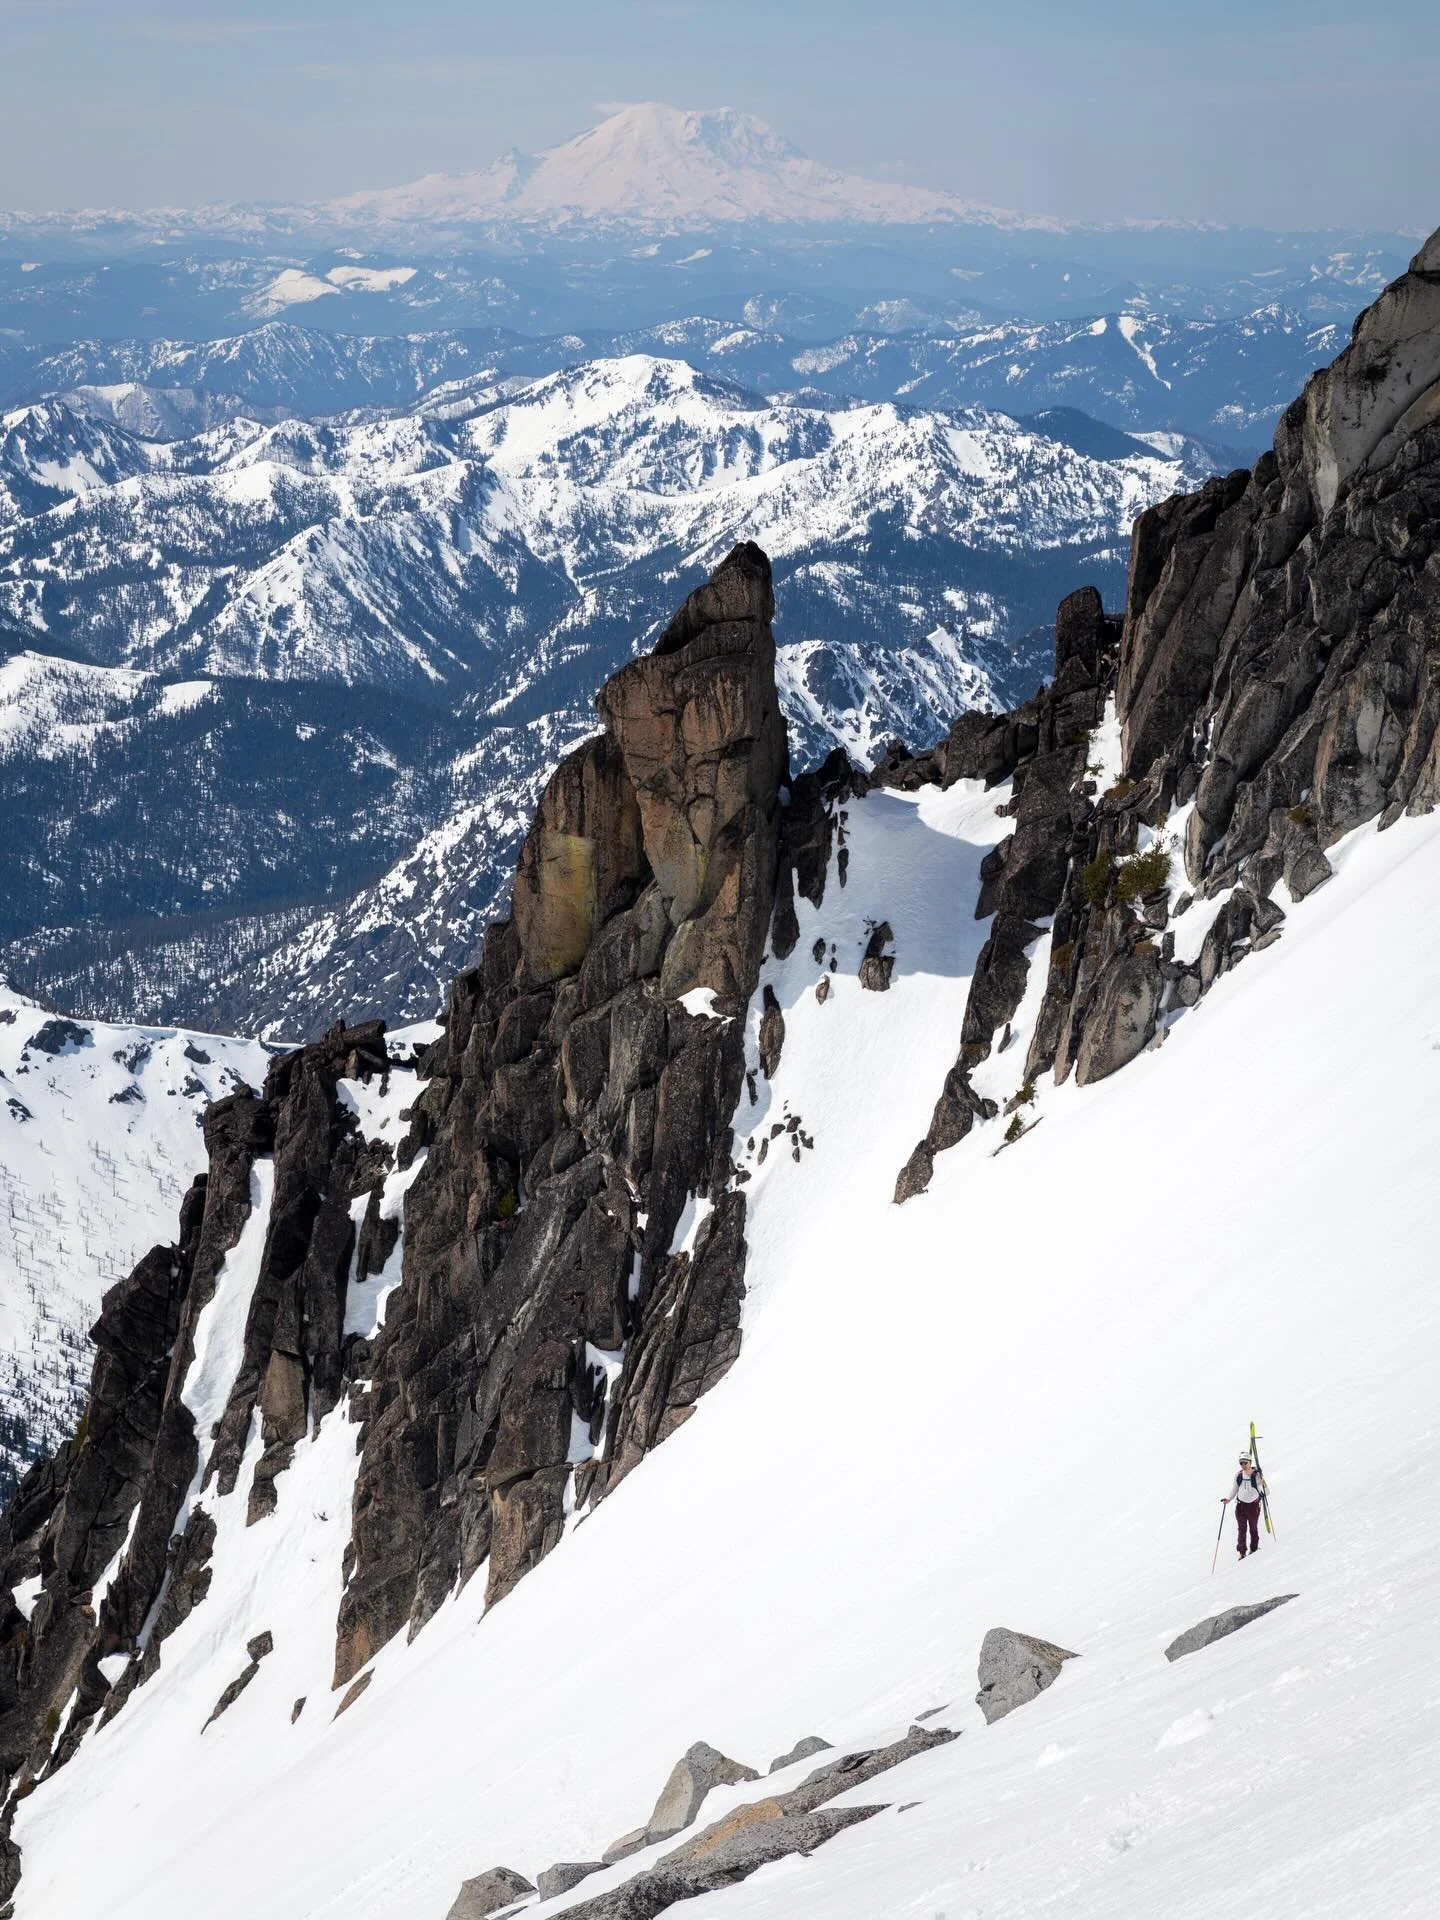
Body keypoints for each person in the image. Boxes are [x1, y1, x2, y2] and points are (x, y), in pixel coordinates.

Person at [1224, 1452, 1267, 1558]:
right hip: (1240, 1506)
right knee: (1241, 1529)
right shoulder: (1238, 1475)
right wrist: (1228, 1499)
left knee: (1253, 1528)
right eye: (1241, 1463)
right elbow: (1235, 1488)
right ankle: (1242, 1552)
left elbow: (1266, 1492)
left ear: (1250, 1462)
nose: (1243, 1465)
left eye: (1245, 1463)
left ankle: (1254, 1548)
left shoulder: (1257, 1475)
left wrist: (1262, 1483)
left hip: (1253, 1506)